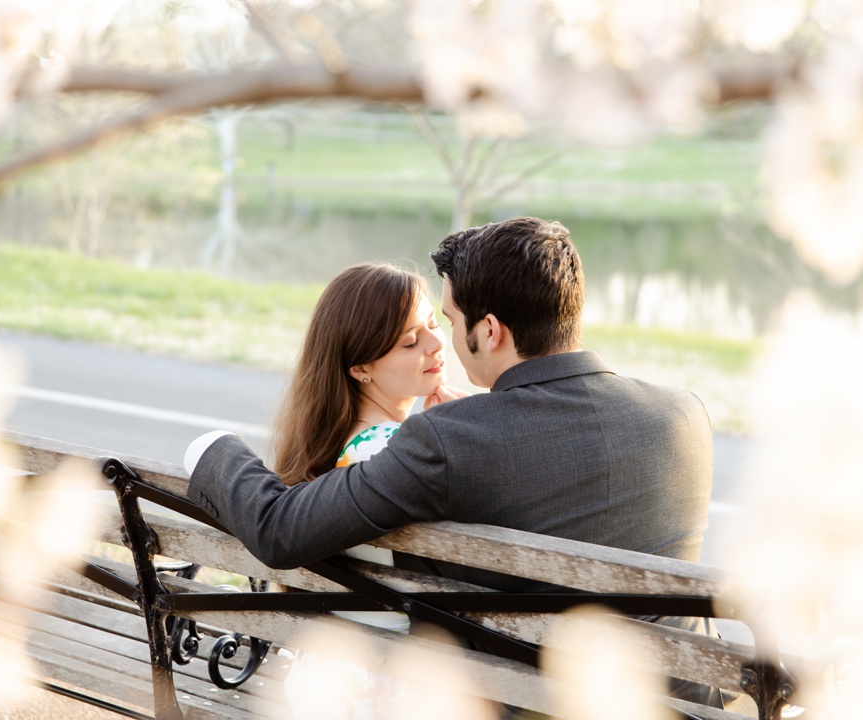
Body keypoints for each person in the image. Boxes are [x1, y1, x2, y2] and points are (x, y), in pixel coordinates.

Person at [184, 216, 736, 710]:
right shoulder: (685, 415)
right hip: (687, 702)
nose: (442, 340)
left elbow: (280, 529)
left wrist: (212, 448)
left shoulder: (449, 441)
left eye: (449, 319)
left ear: (488, 331)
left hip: (534, 704)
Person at [256, 262, 454, 719]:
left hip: (328, 680)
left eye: (432, 324)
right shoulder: (392, 455)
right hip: (392, 691)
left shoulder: (334, 443)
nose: (435, 343)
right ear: (361, 368)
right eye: (410, 341)